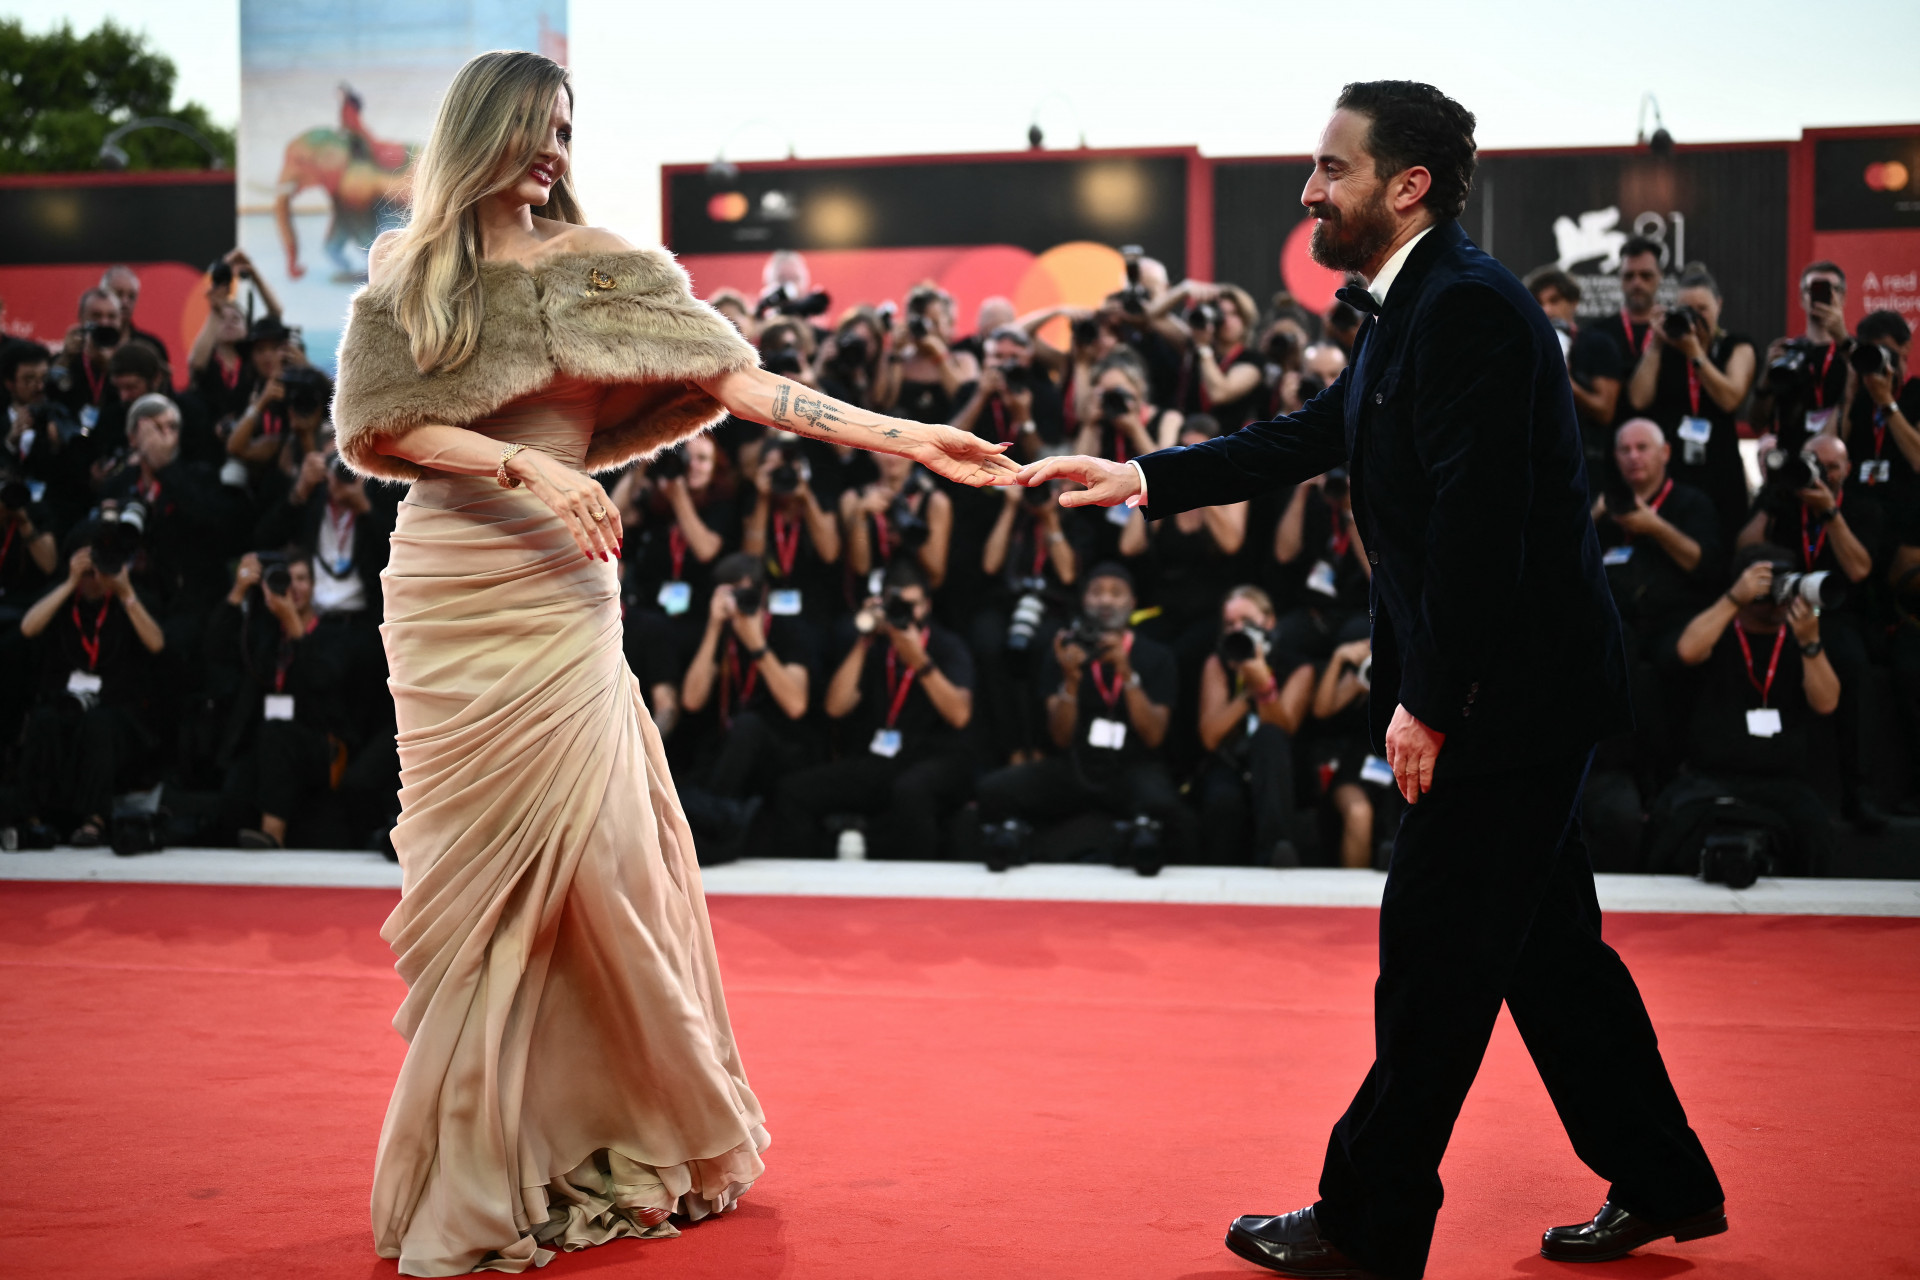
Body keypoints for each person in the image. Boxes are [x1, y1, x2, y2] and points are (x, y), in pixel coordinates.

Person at [1020, 81, 1725, 1279]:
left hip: (1510, 702)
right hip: (1517, 692)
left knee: (1436, 964)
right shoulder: (1415, 308)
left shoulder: (1470, 312)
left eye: (1330, 169)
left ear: (1408, 186)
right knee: (1551, 959)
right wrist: (1142, 475)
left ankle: (1366, 1221)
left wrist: (1432, 701)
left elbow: (1480, 531)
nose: (1308, 190)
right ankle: (1662, 1178)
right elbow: (1312, 433)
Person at [329, 50, 1014, 1276]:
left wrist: (908, 437)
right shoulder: (412, 269)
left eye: (566, 129)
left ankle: (613, 1137)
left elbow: (740, 383)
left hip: (560, 596)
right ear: (482, 131)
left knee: (595, 862)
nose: (555, 150)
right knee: (487, 890)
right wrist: (527, 462)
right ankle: (496, 1163)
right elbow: (382, 427)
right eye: (537, 127)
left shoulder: (616, 270)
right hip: (445, 591)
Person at [974, 562, 1196, 874]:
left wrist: (1126, 673)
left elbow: (1155, 735)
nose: (1106, 601)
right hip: (1076, 764)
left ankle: (1140, 843)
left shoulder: (1155, 655)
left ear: (1132, 603)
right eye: (1097, 593)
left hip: (1131, 766)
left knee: (1167, 807)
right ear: (1083, 601)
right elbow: (1060, 736)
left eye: (1116, 594)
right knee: (994, 790)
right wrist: (1072, 681)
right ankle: (1019, 841)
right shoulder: (1063, 652)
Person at [1653, 545, 1840, 875]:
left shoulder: (1802, 636)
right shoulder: (1718, 627)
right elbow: (1687, 651)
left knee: (1814, 830)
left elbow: (1826, 703)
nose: (1777, 592)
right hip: (1710, 777)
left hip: (1781, 781)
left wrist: (1811, 644)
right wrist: (1734, 599)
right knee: (1676, 822)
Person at [774, 560, 976, 859]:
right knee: (794, 791)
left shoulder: (946, 646)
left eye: (913, 606)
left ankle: (922, 882)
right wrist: (863, 640)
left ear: (928, 606)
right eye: (897, 605)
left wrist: (919, 661)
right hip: (883, 759)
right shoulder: (876, 646)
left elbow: (960, 715)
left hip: (937, 756)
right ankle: (810, 881)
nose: (906, 614)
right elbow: (835, 707)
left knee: (910, 791)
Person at [1623, 264, 1756, 542]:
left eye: (1702, 309)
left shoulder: (1736, 346)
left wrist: (1696, 352)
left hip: (1721, 469)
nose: (1695, 317)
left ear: (1718, 306)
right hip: (1675, 474)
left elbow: (1730, 398)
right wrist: (1656, 345)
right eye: (1687, 309)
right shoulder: (1666, 350)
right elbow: (1638, 399)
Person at [1192, 585, 1314, 866]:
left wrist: (1265, 688)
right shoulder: (1218, 662)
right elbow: (1210, 737)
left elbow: (1286, 728)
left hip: (1278, 767)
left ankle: (1276, 853)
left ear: (1268, 622)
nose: (1238, 629)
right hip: (1231, 763)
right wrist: (1248, 692)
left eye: (1246, 622)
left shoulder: (1297, 666)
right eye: (1230, 624)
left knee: (1269, 737)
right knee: (1223, 799)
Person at [1524, 266, 1623, 465]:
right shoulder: (1524, 347)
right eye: (1538, 303)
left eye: (1554, 301)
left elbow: (1605, 412)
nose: (1546, 310)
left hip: (1586, 461)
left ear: (1573, 302)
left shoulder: (1597, 344)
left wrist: (1566, 383)